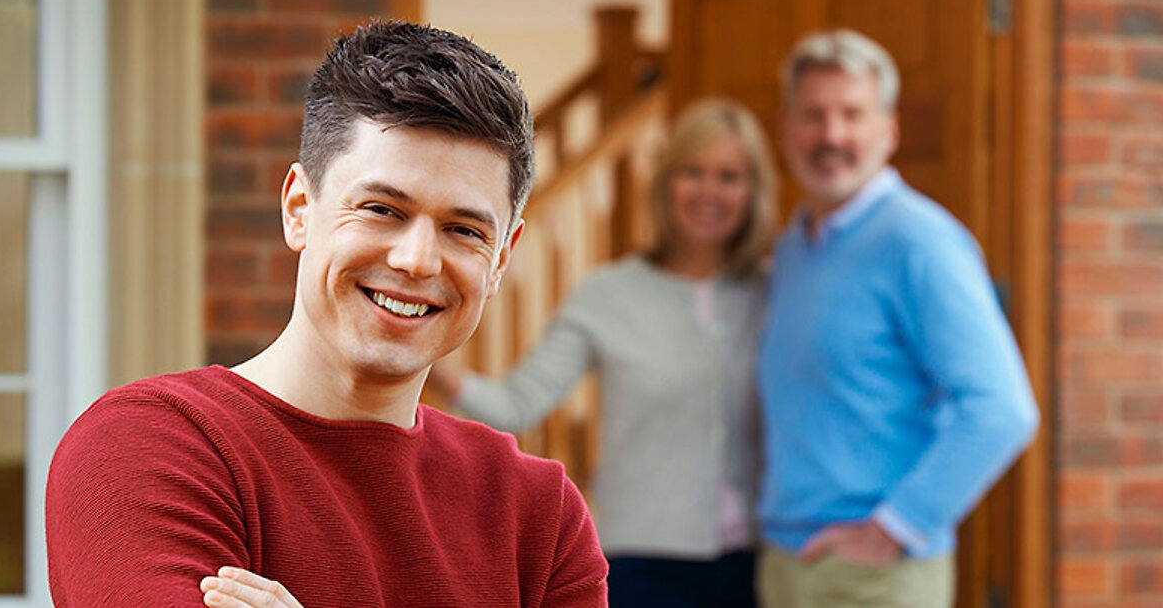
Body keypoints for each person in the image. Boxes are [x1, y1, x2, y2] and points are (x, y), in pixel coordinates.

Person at [45, 21, 608, 608]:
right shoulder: (148, 447)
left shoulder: (540, 515)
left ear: (500, 260)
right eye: (382, 209)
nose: (417, 260)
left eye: (462, 229)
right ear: (298, 209)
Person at [429, 98, 778, 608]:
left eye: (729, 176)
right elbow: (517, 404)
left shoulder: (774, 293)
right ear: (666, 183)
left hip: (759, 562)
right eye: (693, 172)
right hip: (640, 560)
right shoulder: (606, 295)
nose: (710, 190)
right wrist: (427, 354)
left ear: (753, 192)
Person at [754, 29, 1040, 608]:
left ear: (889, 131)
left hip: (875, 578)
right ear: (786, 129)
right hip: (786, 562)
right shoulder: (795, 247)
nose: (832, 134)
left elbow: (1003, 409)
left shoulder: (920, 241)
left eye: (852, 114)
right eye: (814, 114)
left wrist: (894, 528)